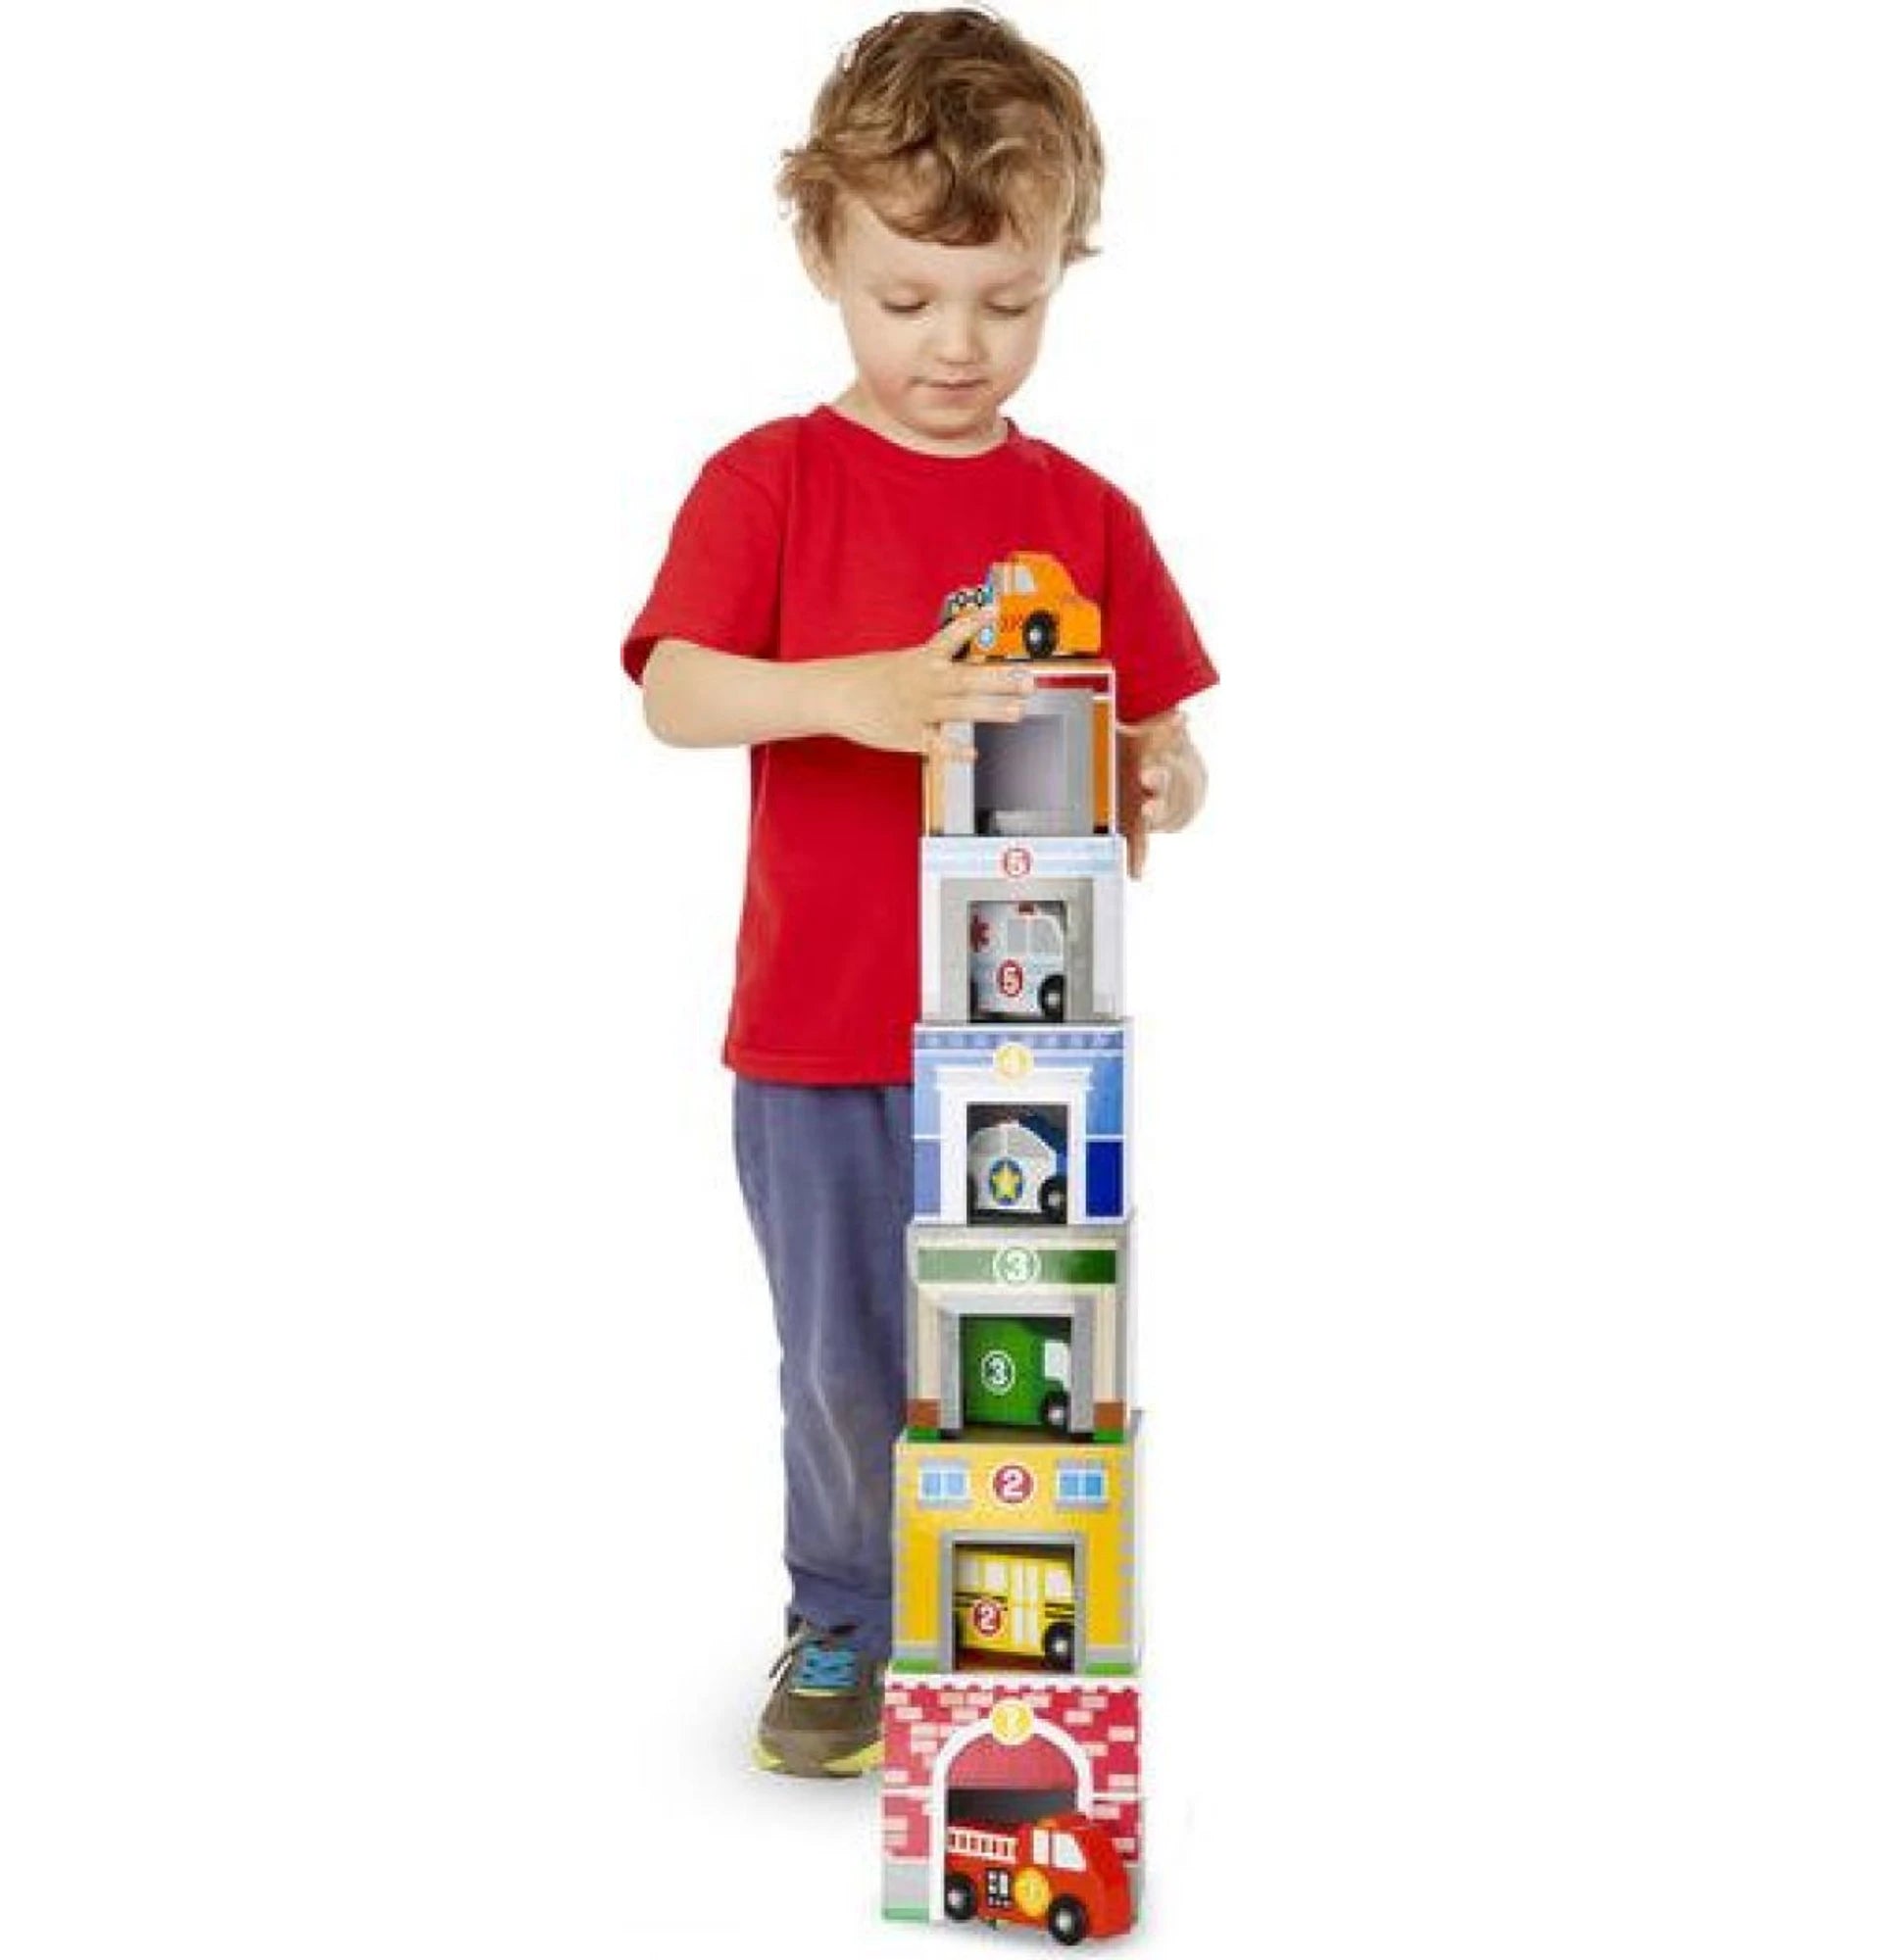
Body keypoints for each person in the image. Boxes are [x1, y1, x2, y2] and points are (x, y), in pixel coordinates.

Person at [621, 7, 1218, 1777]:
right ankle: (840, 1612)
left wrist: (1164, 778)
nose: (957, 345)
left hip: (1030, 1046)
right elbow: (674, 692)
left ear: (1062, 268)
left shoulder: (1086, 510)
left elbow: (1164, 734)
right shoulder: (770, 481)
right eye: (907, 298)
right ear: (822, 253)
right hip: (818, 1042)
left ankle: (996, 1632)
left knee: (1014, 1359)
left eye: (1006, 302)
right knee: (843, 1357)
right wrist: (855, 693)